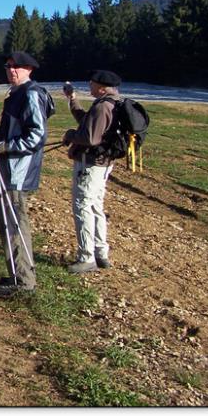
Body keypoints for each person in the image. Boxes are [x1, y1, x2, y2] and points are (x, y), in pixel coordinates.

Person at [0, 51, 51, 299]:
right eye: (8, 66)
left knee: (14, 224)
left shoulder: (31, 93)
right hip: (6, 168)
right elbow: (13, 130)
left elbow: (36, 136)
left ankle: (24, 282)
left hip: (17, 171)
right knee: (6, 224)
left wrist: (2, 146)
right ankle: (16, 274)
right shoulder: (15, 94)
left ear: (29, 70)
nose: (11, 70)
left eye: (17, 67)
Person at [61, 70, 122, 274]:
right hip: (102, 163)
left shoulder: (103, 106)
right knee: (95, 206)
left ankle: (86, 257)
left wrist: (70, 135)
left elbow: (90, 138)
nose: (89, 85)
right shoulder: (111, 103)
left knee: (83, 206)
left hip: (91, 164)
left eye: (92, 83)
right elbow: (86, 122)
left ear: (102, 88)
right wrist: (72, 99)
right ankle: (100, 253)